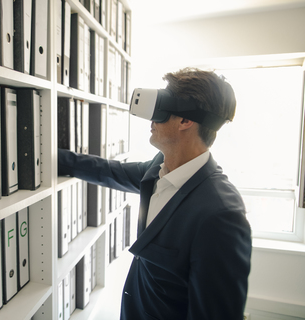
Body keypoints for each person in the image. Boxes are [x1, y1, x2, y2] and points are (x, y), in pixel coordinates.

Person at [58, 68, 252, 319]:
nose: (151, 119)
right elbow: (109, 171)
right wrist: (48, 159)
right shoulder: (159, 167)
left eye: (161, 108)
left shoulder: (221, 215)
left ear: (185, 120)